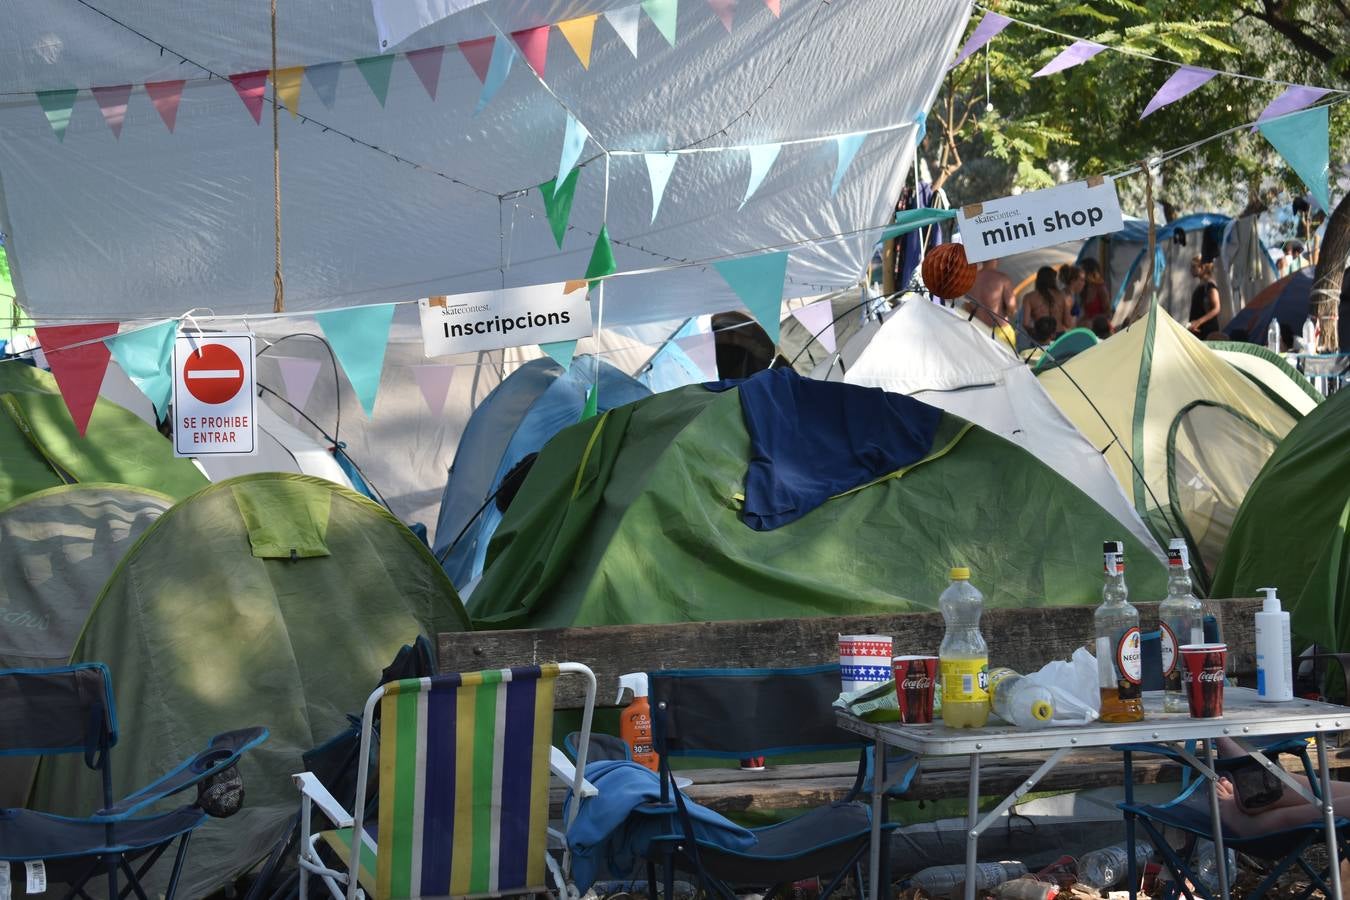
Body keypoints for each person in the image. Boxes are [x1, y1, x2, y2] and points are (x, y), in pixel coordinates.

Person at [1021, 266, 1073, 337]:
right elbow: (1068, 323)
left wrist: (1036, 336)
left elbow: (1026, 324)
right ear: (1053, 279)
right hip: (1059, 335)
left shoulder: (1029, 297)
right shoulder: (1063, 296)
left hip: (1041, 337)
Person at [966, 258, 1017, 331]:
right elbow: (1011, 308)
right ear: (996, 259)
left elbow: (967, 308)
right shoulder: (1002, 278)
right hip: (1000, 329)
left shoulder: (970, 280)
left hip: (979, 330)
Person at [1187, 256, 1221, 339]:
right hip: (1198, 332)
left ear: (1202, 268)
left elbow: (1216, 308)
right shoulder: (1200, 286)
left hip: (1208, 332)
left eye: (1193, 267)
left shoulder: (1210, 286)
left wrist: (1198, 322)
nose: (1191, 270)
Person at [1078, 258, 1110, 324]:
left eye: (1082, 271)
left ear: (1089, 272)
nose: (1079, 274)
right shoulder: (1085, 288)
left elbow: (1108, 314)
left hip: (1100, 327)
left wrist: (1092, 320)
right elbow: (1087, 314)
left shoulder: (1101, 288)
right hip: (1089, 327)